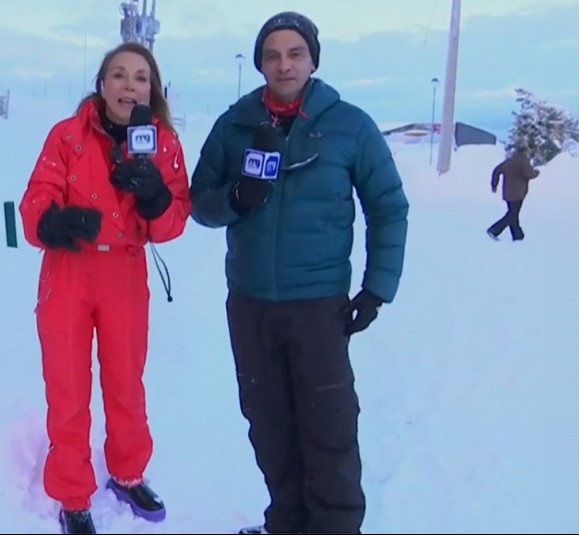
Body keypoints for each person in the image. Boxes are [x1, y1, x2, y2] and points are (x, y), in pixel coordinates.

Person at [188, 11, 409, 535]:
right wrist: (235, 200)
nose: (283, 64)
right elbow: (198, 201)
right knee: (269, 424)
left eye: (295, 53)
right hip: (250, 303)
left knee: (327, 424)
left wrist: (377, 289)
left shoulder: (349, 125)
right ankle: (285, 524)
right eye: (272, 54)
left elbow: (388, 207)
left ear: (312, 59)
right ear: (260, 62)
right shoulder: (235, 123)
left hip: (318, 305)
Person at [18, 42, 191, 534]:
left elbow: (174, 218)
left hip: (125, 275)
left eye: (140, 77)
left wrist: (156, 197)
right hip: (69, 273)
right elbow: (35, 202)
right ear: (101, 84)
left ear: (151, 90)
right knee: (68, 386)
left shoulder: (163, 144)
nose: (128, 86)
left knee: (125, 381)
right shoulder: (66, 137)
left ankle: (127, 470)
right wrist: (55, 221)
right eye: (118, 75)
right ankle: (73, 492)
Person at [487, 147, 540, 241]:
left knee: (513, 213)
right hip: (518, 193)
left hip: (507, 193)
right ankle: (494, 230)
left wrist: (494, 185)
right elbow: (529, 174)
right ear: (524, 152)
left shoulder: (508, 161)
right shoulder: (523, 161)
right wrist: (536, 172)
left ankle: (518, 236)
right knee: (512, 214)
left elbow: (496, 171)